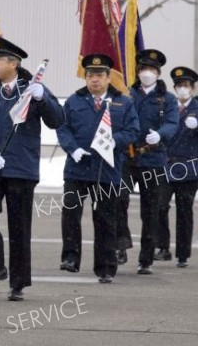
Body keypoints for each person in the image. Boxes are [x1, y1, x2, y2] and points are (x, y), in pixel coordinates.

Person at [0, 36, 64, 301]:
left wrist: (43, 99)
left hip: (21, 168)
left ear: (14, 63)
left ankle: (18, 283)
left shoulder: (33, 89)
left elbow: (57, 120)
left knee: (19, 227)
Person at [56, 54, 140, 283]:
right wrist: (72, 149)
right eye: (90, 75)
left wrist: (116, 140)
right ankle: (70, 257)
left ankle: (105, 266)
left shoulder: (123, 101)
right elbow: (63, 128)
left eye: (99, 75)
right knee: (71, 214)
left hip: (108, 169)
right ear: (85, 77)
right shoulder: (74, 101)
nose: (94, 80)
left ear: (108, 77)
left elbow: (134, 130)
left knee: (105, 219)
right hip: (77, 168)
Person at [114, 49, 179, 274]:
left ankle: (146, 258)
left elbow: (172, 122)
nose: (147, 73)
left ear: (158, 73)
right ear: (138, 71)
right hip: (127, 156)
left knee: (151, 208)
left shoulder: (167, 98)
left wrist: (161, 134)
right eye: (143, 69)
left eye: (151, 70)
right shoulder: (127, 95)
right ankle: (120, 244)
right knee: (118, 199)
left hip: (153, 158)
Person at [156, 66, 198, 267]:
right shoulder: (167, 106)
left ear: (193, 89)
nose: (183, 89)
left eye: (187, 86)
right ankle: (163, 247)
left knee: (184, 211)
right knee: (159, 206)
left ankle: (183, 254)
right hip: (166, 165)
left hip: (189, 168)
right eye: (180, 86)